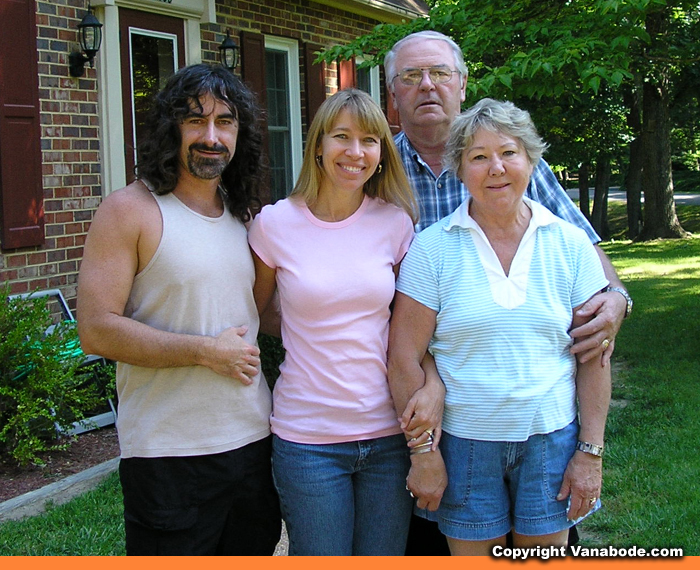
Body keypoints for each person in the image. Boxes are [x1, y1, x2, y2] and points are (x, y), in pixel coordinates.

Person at [384, 31, 631, 555]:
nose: (427, 86)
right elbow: (401, 343)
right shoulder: (371, 165)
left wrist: (616, 296)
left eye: (440, 73)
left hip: (544, 428)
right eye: (410, 76)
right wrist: (426, 419)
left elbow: (582, 254)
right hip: (437, 413)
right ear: (393, 92)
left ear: (462, 82)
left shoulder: (532, 190)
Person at [76, 64, 281, 556]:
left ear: (240, 133)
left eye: (225, 121)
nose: (211, 136)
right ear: (171, 127)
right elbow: (96, 330)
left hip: (254, 443)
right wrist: (205, 353)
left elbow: (258, 314)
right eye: (195, 120)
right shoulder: (130, 210)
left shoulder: (245, 216)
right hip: (168, 455)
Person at [248, 88, 419, 555]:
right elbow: (256, 312)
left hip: (388, 434)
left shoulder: (396, 223)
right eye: (342, 136)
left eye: (369, 140)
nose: (355, 152)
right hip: (308, 440)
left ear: (382, 152)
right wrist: (310, 335)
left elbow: (410, 327)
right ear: (318, 145)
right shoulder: (274, 224)